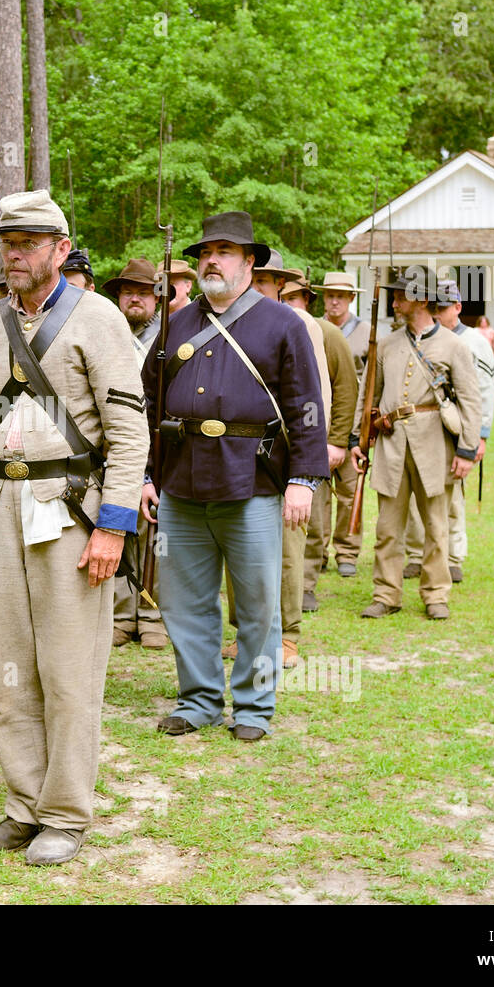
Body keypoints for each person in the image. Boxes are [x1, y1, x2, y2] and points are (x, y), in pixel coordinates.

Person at [0, 190, 147, 865]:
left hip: (71, 511)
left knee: (68, 673)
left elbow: (128, 433)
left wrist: (113, 528)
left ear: (60, 248)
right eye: (7, 241)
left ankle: (64, 814)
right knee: (3, 676)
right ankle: (23, 805)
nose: (14, 252)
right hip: (0, 508)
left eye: (29, 242)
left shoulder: (100, 319)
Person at [142, 214, 327, 741]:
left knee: (258, 604)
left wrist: (304, 479)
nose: (212, 261)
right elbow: (148, 404)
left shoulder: (283, 324)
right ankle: (198, 700)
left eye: (225, 252)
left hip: (254, 480)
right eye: (206, 252)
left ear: (250, 262)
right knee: (184, 601)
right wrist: (146, 475)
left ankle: (252, 707)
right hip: (180, 480)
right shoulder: (175, 322)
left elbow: (305, 406)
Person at [221, 251, 329, 670]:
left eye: (267, 282)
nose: (260, 287)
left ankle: (287, 635)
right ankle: (244, 631)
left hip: (281, 452)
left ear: (280, 285)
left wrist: (307, 464)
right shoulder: (227, 319)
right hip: (238, 455)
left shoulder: (296, 324)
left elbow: (313, 399)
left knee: (285, 550)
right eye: (256, 279)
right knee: (237, 547)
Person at [353, 275, 483, 621]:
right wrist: (358, 439)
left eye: (400, 298)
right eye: (394, 298)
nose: (394, 304)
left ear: (422, 301)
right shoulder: (387, 344)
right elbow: (369, 396)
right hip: (392, 445)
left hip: (434, 446)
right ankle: (386, 593)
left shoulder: (455, 347)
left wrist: (467, 450)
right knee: (387, 529)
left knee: (436, 527)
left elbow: (471, 400)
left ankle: (436, 593)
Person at [403, 280, 494, 584]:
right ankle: (417, 555)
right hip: (424, 429)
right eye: (434, 307)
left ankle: (453, 557)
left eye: (443, 308)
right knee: (417, 499)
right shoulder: (416, 337)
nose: (438, 313)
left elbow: (481, 392)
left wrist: (479, 436)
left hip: (456, 429)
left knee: (452, 498)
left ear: (458, 307)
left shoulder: (474, 342)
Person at [101, 257, 170, 651]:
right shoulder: (106, 332)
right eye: (128, 292)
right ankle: (122, 615)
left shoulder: (171, 338)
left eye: (143, 292)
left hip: (156, 450)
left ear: (157, 298)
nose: (135, 299)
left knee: (157, 537)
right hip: (112, 447)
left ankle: (153, 615)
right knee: (117, 528)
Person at [282, 276, 357, 617]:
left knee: (312, 518)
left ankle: (307, 583)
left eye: (296, 297)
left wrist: (337, 441)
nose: (290, 302)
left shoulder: (328, 334)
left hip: (316, 441)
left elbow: (345, 390)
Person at [313, 271, 369, 579]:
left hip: (352, 424)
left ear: (351, 299)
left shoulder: (366, 332)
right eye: (330, 295)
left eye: (341, 296)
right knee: (317, 492)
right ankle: (317, 551)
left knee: (349, 491)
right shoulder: (311, 328)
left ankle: (347, 551)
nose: (335, 301)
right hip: (318, 422)